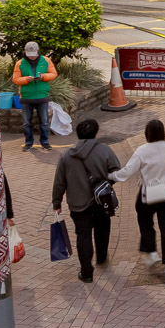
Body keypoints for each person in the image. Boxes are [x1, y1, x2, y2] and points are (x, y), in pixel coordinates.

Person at [52, 118, 121, 282]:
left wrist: (57, 203)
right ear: (96, 133)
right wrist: (105, 183)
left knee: (83, 236)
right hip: (101, 201)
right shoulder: (105, 151)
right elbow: (116, 171)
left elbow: (59, 182)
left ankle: (87, 272)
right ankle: (102, 257)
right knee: (102, 229)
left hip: (77, 203)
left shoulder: (67, 156)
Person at [109, 119, 165, 274]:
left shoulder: (142, 151)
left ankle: (151, 251)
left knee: (144, 219)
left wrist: (111, 176)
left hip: (151, 192)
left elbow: (127, 171)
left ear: (147, 133)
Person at [12, 41, 57, 151]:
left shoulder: (46, 61)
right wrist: (27, 79)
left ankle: (45, 142)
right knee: (27, 123)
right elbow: (16, 79)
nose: (32, 58)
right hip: (27, 97)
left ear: (38, 52)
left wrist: (43, 77)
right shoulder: (20, 63)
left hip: (42, 95)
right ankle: (28, 142)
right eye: (29, 55)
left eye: (34, 55)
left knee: (44, 122)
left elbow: (53, 74)